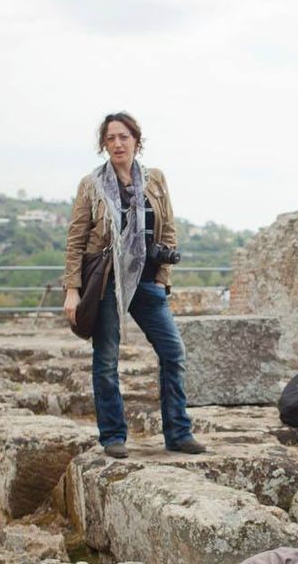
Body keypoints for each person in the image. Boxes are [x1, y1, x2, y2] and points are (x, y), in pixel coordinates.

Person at [63, 112, 205, 458]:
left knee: (174, 353)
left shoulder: (155, 180)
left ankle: (178, 432)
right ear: (104, 145)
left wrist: (161, 279)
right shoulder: (92, 184)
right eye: (110, 138)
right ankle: (113, 436)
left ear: (136, 141)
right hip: (108, 282)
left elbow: (168, 228)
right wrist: (72, 289)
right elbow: (77, 238)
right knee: (107, 359)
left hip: (147, 281)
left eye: (123, 136)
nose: (117, 143)